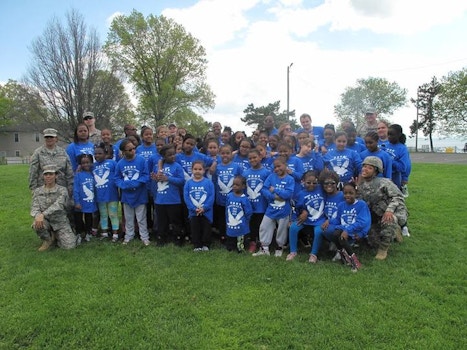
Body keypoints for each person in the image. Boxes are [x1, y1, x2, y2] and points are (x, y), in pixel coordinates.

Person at [358, 156, 408, 260]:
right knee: (372, 243)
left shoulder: (384, 183)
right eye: (364, 166)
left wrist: (390, 211)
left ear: (376, 171)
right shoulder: (361, 185)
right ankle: (395, 232)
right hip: (375, 216)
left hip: (391, 212)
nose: (365, 169)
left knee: (389, 220)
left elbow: (398, 197)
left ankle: (383, 249)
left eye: (369, 168)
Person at [253, 157, 294, 257]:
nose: (276, 169)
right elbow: (264, 189)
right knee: (264, 226)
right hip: (271, 209)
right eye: (275, 167)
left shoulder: (290, 179)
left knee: (282, 230)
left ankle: (279, 247)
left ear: (285, 165)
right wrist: (273, 196)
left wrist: (275, 190)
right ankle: (264, 248)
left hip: (284, 211)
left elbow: (288, 194)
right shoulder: (271, 177)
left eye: (279, 166)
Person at [30, 164, 76, 251]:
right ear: (43, 176)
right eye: (46, 174)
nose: (48, 176)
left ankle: (58, 235)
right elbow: (34, 208)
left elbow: (59, 205)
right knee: (37, 224)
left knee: (69, 246)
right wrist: (37, 216)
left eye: (51, 174)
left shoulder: (62, 190)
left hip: (60, 221)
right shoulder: (37, 191)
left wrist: (43, 214)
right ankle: (47, 240)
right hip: (45, 221)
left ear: (56, 176)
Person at [115, 138, 150, 246]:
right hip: (127, 195)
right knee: (128, 217)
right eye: (129, 150)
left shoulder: (141, 160)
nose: (132, 151)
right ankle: (129, 235)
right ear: (123, 151)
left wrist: (137, 183)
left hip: (140, 194)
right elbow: (117, 178)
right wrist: (124, 185)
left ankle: (144, 236)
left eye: (134, 148)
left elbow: (146, 175)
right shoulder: (120, 164)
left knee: (141, 218)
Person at [329, 182, 371, 272]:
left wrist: (358, 232)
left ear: (356, 193)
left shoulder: (361, 204)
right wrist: (328, 221)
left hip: (356, 230)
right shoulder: (341, 205)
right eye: (345, 193)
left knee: (341, 237)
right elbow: (337, 219)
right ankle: (343, 256)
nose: (347, 195)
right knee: (335, 233)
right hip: (346, 229)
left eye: (351, 193)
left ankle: (355, 262)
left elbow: (364, 222)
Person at [286, 171, 326, 263]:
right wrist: (302, 212)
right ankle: (293, 252)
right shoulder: (301, 194)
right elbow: (297, 207)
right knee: (293, 228)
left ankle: (313, 254)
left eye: (314, 183)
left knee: (318, 231)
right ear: (303, 181)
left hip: (320, 219)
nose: (311, 185)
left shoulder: (321, 189)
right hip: (306, 219)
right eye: (308, 182)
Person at [151, 144, 185, 246]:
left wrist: (168, 178)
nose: (172, 156)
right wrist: (155, 178)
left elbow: (181, 181)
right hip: (160, 199)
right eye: (169, 155)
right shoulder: (159, 166)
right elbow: (157, 180)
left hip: (173, 200)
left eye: (173, 154)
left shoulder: (177, 166)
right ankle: (162, 238)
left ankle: (178, 238)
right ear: (164, 156)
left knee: (175, 221)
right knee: (162, 221)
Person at [29, 128, 74, 197]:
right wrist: (33, 189)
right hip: (44, 189)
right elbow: (33, 172)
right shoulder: (38, 153)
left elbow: (69, 172)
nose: (49, 139)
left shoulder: (63, 152)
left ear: (56, 138)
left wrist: (70, 188)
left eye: (51, 137)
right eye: (47, 137)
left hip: (61, 189)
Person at [184, 160, 215, 251]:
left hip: (206, 212)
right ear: (192, 170)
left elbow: (211, 197)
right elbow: (186, 197)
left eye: (200, 169)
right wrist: (193, 209)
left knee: (206, 228)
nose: (197, 171)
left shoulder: (208, 183)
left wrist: (204, 208)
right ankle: (197, 245)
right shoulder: (188, 183)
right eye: (195, 169)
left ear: (204, 170)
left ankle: (206, 244)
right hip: (193, 212)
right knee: (195, 228)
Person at [243, 149, 270, 252]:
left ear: (260, 157)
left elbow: (267, 188)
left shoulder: (266, 172)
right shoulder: (245, 173)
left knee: (261, 226)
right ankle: (252, 243)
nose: (252, 160)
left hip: (261, 205)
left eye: (254, 157)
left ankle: (263, 243)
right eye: (250, 158)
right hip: (249, 205)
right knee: (252, 226)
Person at [93, 143, 120, 242]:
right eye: (95, 154)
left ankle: (115, 234)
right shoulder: (93, 166)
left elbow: (118, 174)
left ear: (105, 153)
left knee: (113, 214)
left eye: (100, 153)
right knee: (103, 214)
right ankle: (104, 233)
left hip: (111, 194)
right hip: (100, 196)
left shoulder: (112, 163)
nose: (97, 156)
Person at [73, 154, 98, 242]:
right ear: (80, 164)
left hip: (90, 201)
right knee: (79, 219)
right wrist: (77, 202)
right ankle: (79, 233)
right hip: (80, 201)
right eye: (83, 163)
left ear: (91, 162)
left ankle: (88, 232)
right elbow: (75, 189)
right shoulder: (78, 175)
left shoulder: (93, 174)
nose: (86, 165)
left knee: (89, 218)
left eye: (88, 162)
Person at [225, 175, 253, 252]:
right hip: (230, 222)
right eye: (233, 184)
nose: (234, 186)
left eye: (237, 185)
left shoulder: (244, 199)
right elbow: (227, 208)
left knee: (240, 238)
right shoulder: (229, 196)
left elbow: (248, 212)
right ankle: (230, 247)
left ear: (243, 186)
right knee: (230, 235)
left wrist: (245, 221)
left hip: (241, 224)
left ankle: (240, 248)